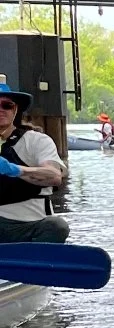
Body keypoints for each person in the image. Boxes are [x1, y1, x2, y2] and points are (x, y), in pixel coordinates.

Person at [0, 85, 69, 244]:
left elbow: (54, 176)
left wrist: (15, 170)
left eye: (7, 105)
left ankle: (38, 259)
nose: (1, 110)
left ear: (16, 110)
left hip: (31, 226)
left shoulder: (37, 141)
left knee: (58, 226)